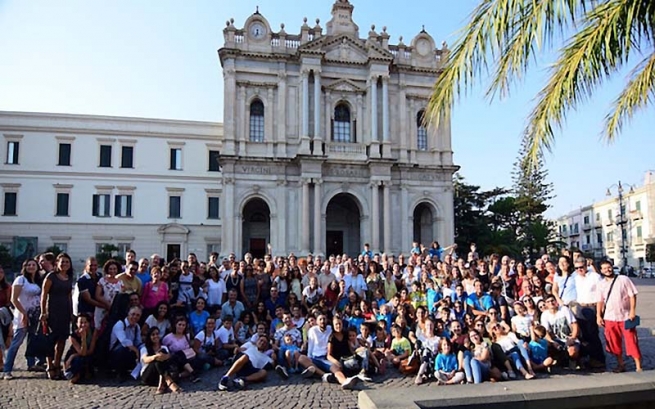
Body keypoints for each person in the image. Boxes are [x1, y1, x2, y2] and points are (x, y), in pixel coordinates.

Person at [596, 260, 642, 372]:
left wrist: (632, 311)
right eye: (605, 268)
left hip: (625, 316)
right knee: (614, 342)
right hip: (609, 317)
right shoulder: (601, 284)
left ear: (612, 267)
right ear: (601, 271)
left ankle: (638, 366)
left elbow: (632, 295)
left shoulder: (623, 279)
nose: (608, 270)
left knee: (632, 341)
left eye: (609, 267)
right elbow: (600, 301)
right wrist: (598, 315)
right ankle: (621, 364)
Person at [2, 259, 42, 379]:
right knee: (16, 343)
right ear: (25, 267)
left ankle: (31, 364)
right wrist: (24, 313)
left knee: (32, 340)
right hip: (22, 315)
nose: (31, 267)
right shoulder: (21, 279)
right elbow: (14, 299)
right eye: (29, 265)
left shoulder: (38, 280)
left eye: (33, 265)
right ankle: (7, 369)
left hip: (35, 314)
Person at [40, 252, 74, 380]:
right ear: (57, 264)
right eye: (62, 262)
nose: (64, 264)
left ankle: (57, 363)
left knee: (61, 340)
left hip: (64, 311)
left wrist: (71, 313)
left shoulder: (69, 277)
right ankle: (50, 366)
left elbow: (69, 296)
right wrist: (43, 312)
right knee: (51, 340)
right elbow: (44, 295)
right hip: (52, 311)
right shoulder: (51, 276)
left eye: (67, 262)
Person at [139, 327, 182, 394]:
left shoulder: (163, 347)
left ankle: (161, 384)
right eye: (153, 335)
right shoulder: (144, 348)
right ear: (149, 337)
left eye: (157, 334)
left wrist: (164, 356)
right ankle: (168, 381)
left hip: (158, 376)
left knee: (162, 354)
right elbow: (145, 360)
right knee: (157, 360)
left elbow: (168, 358)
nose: (155, 336)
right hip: (148, 375)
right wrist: (155, 356)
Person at [161, 316, 200, 383]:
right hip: (174, 360)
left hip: (185, 359)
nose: (181, 327)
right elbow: (164, 349)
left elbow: (187, 348)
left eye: (183, 325)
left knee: (196, 361)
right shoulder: (168, 337)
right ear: (175, 325)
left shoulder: (186, 336)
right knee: (179, 353)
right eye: (179, 325)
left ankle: (179, 375)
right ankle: (193, 373)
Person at [109, 306, 143, 381]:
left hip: (130, 351)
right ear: (128, 314)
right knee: (123, 348)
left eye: (138, 315)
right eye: (133, 314)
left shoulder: (137, 327)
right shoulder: (120, 324)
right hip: (115, 353)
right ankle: (119, 373)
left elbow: (138, 341)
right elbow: (124, 341)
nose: (135, 317)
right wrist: (136, 351)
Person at [63, 313, 98, 384]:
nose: (83, 325)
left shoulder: (93, 332)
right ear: (76, 324)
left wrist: (74, 355)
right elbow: (82, 352)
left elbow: (90, 351)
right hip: (76, 356)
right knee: (79, 360)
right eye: (81, 323)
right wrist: (83, 338)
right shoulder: (73, 336)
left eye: (85, 322)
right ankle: (76, 374)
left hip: (82, 354)